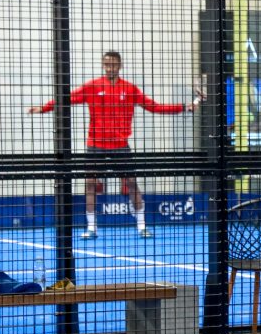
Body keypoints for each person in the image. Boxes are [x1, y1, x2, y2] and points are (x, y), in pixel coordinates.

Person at [29, 51, 195, 239]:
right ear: (103, 65)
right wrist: (44, 108)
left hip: (120, 145)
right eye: (107, 64)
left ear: (120, 66)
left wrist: (184, 107)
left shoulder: (130, 89)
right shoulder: (92, 86)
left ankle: (142, 226)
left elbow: (154, 107)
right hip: (95, 145)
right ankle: (92, 228)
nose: (110, 68)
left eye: (114, 64)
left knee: (132, 184)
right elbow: (66, 98)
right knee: (90, 185)